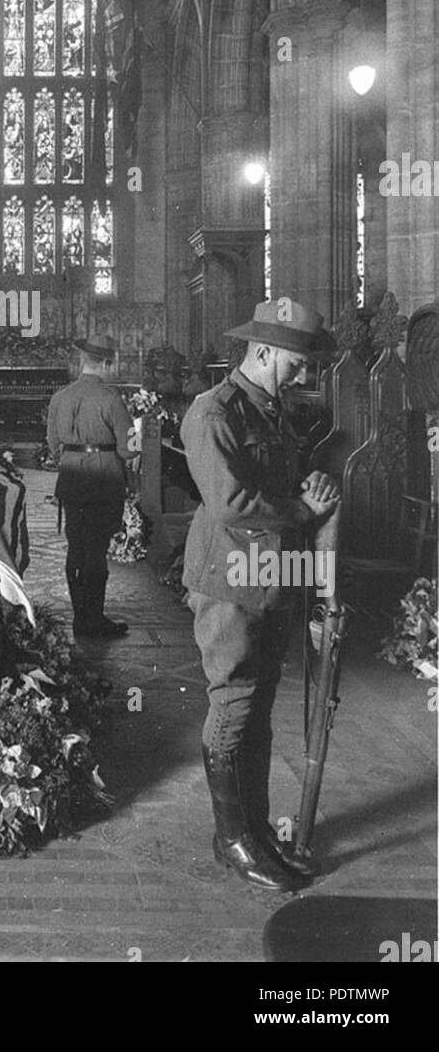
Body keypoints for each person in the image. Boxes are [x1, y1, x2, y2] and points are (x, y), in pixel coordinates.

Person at [180, 298, 340, 893]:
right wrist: (303, 508)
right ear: (264, 351)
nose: (304, 376)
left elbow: (280, 478)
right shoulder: (214, 412)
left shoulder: (269, 411)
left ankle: (256, 829)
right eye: (296, 363)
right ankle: (232, 839)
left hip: (271, 576)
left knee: (259, 703)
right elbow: (232, 504)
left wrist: (312, 482)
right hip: (229, 581)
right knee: (235, 701)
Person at [47, 332, 134, 638]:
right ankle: (92, 620)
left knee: (76, 546)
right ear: (108, 363)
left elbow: (52, 442)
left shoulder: (60, 396)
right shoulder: (111, 398)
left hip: (70, 478)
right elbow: (129, 448)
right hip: (104, 480)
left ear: (82, 360)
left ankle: (79, 617)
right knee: (96, 550)